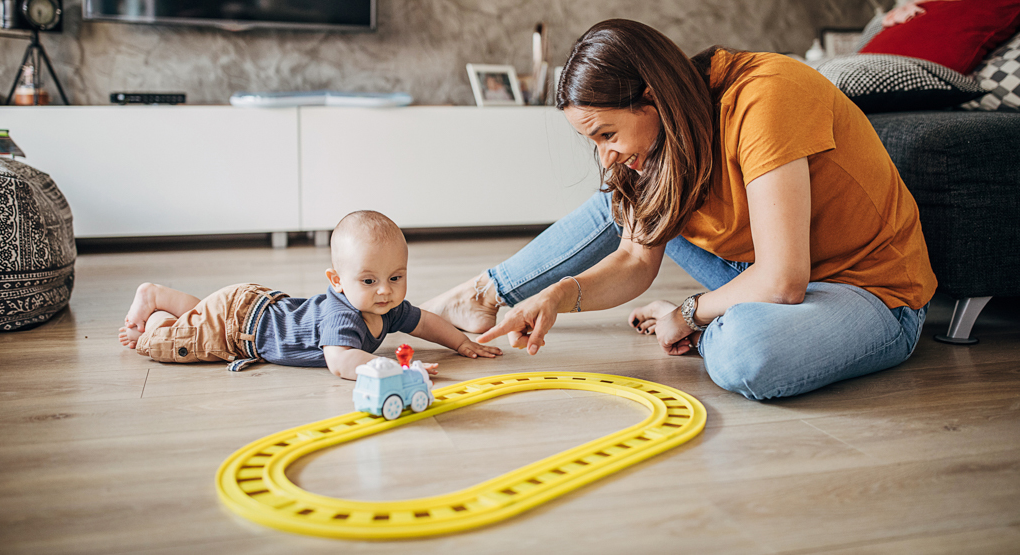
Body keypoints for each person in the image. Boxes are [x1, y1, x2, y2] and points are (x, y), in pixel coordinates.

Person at [423, 19, 936, 400]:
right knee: (620, 198)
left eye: (607, 133)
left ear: (652, 98)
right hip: (760, 269)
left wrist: (687, 313)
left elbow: (783, 281)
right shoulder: (666, 138)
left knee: (743, 353)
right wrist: (557, 296)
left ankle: (716, 320)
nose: (606, 154)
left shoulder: (768, 97)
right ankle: (483, 293)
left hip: (869, 292)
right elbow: (634, 260)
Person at [119, 210, 501, 379]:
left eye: (396, 277)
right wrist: (395, 371)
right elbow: (341, 363)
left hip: (251, 306)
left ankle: (163, 297)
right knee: (173, 342)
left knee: (204, 314)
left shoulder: (387, 305)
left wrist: (461, 345)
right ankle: (154, 313)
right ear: (336, 280)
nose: (385, 290)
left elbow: (425, 321)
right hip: (240, 329)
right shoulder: (342, 317)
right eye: (368, 281)